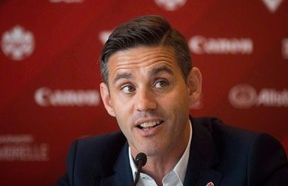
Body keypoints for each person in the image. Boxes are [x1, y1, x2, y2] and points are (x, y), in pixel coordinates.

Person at [57, 15, 288, 186]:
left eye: (161, 83)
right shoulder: (86, 164)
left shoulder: (253, 159)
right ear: (108, 100)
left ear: (192, 86)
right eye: (128, 88)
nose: (144, 104)